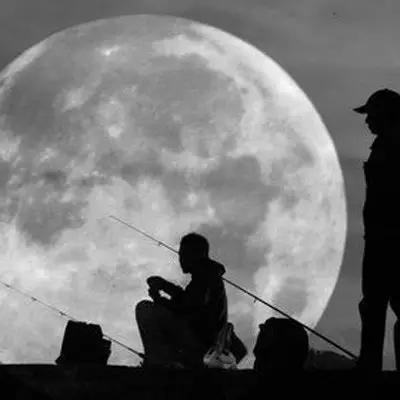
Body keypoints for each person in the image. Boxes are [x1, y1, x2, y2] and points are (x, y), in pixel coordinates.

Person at [354, 88, 400, 370]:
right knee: (374, 305)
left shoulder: (391, 147)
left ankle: (369, 367)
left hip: (386, 242)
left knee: (374, 305)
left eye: (371, 115)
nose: (367, 120)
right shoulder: (384, 145)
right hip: (380, 239)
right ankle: (369, 365)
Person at [135, 232, 228, 368]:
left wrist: (159, 300)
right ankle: (164, 361)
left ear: (196, 254)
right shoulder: (206, 275)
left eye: (183, 254)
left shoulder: (206, 275)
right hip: (204, 345)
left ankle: (159, 363)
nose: (180, 259)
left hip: (200, 347)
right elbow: (188, 299)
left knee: (145, 309)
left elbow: (187, 308)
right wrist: (164, 286)